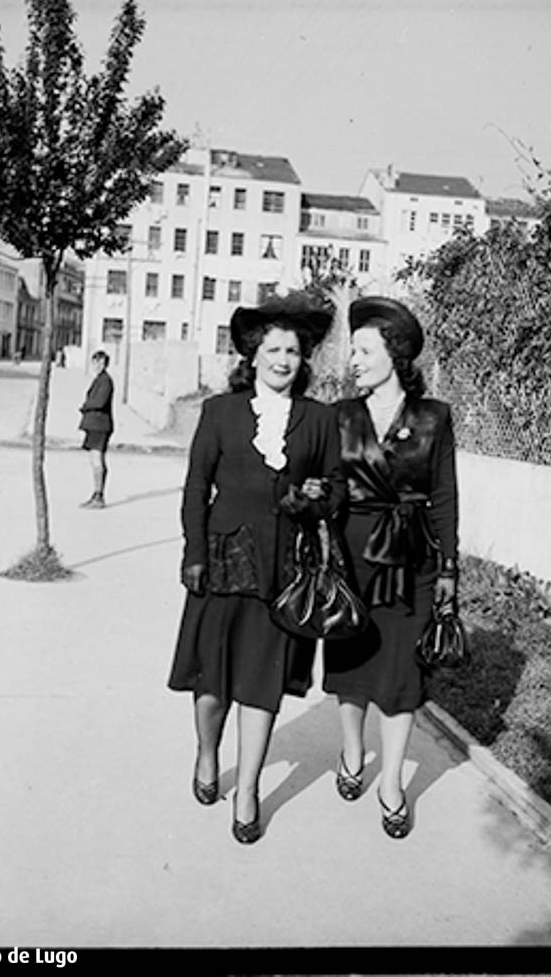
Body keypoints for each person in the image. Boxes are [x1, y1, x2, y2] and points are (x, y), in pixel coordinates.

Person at [167, 296, 345, 845]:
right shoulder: (220, 412)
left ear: (304, 359)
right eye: (274, 349)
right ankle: (205, 752)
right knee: (213, 682)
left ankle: (246, 791)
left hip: (282, 572)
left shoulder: (320, 420)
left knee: (261, 683)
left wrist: (315, 498)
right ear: (254, 354)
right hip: (221, 562)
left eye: (293, 350)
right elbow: (197, 487)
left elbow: (336, 491)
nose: (284, 359)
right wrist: (193, 552)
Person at [322, 296, 459, 839]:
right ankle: (354, 753)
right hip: (352, 557)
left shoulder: (434, 418)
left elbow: (445, 495)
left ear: (395, 355)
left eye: (364, 349)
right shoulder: (342, 416)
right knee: (351, 664)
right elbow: (330, 487)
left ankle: (392, 782)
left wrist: (448, 569)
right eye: (352, 349)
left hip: (413, 559)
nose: (353, 359)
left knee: (402, 674)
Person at [78, 350, 114, 508]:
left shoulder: (106, 381)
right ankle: (96, 494)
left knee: (97, 459)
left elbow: (99, 402)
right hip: (95, 425)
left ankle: (98, 495)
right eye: (95, 362)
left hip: (100, 425)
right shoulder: (99, 379)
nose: (98, 365)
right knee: (95, 460)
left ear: (105, 364)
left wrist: (85, 406)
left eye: (101, 362)